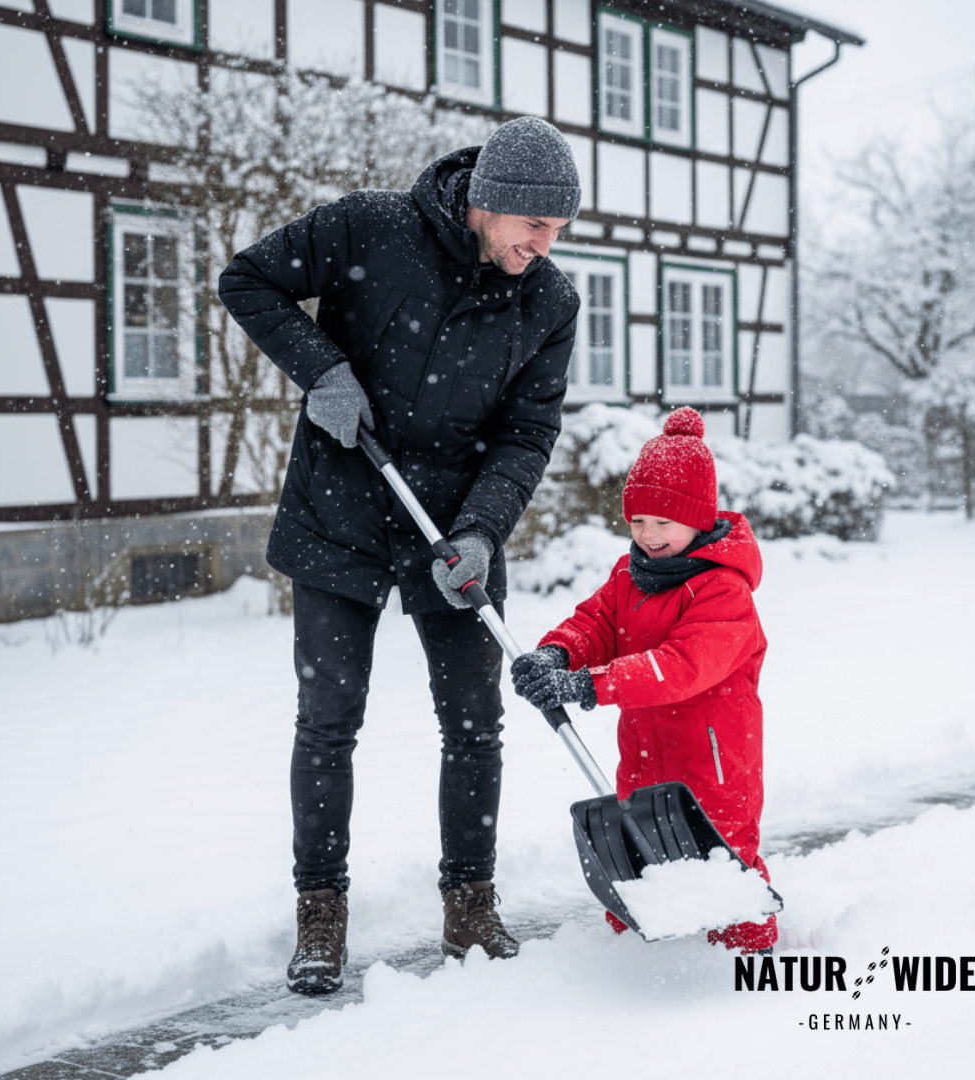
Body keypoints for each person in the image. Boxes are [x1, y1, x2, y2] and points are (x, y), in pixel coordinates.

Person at [218, 116, 582, 993]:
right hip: (338, 505)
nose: (545, 244)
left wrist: (482, 530)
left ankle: (470, 907)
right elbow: (248, 280)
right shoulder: (371, 228)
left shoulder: (549, 302)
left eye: (558, 229)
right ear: (489, 202)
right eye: (535, 225)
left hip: (451, 529)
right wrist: (322, 371)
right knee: (329, 717)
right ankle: (320, 915)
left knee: (475, 722)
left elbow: (527, 434)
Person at [510, 407, 777, 954]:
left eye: (664, 523)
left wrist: (590, 685)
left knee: (725, 861)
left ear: (697, 520)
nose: (649, 535)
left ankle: (748, 958)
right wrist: (558, 654)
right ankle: (636, 959)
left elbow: (681, 666)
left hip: (714, 761)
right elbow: (596, 623)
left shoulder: (724, 591)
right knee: (641, 861)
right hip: (644, 754)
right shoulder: (630, 575)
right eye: (638, 521)